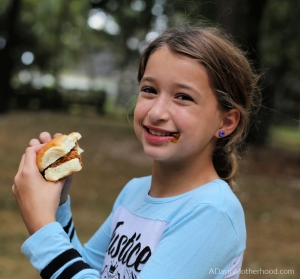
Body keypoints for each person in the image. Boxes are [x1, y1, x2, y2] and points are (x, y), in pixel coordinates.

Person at [12, 26, 260, 279]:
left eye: (183, 96)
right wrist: (58, 204)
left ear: (226, 122)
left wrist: (42, 224)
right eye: (150, 90)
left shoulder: (212, 212)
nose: (156, 113)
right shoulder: (134, 191)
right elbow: (86, 268)